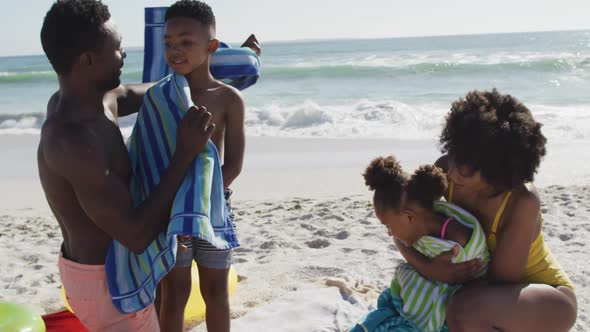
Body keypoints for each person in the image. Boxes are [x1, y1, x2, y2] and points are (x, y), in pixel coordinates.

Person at [38, 0, 214, 330]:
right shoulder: (71, 140)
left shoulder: (99, 98)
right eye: (117, 48)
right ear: (88, 60)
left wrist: (209, 67)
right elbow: (136, 235)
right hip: (106, 286)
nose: (125, 54)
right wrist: (184, 154)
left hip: (115, 269)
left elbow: (153, 91)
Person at [397, 89, 577, 331]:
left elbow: (498, 283)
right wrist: (427, 267)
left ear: (498, 167)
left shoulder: (522, 200)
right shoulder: (445, 169)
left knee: (464, 309)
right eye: (454, 154)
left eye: (467, 165)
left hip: (546, 300)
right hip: (483, 298)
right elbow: (398, 222)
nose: (452, 171)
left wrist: (438, 272)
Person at [155, 1, 246, 331]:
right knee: (173, 293)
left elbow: (233, 164)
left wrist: (201, 200)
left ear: (210, 46)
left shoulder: (228, 99)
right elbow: (150, 155)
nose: (175, 50)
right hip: (170, 211)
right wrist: (175, 207)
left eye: (185, 41)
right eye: (168, 43)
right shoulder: (159, 96)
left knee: (216, 291)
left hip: (214, 207)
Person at [360, 156, 488, 332]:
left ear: (409, 216)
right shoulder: (421, 222)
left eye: (388, 226)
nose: (389, 233)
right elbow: (405, 245)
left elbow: (462, 285)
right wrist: (427, 267)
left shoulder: (458, 241)